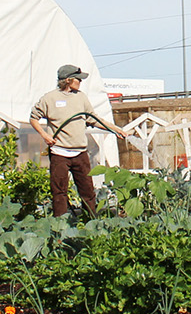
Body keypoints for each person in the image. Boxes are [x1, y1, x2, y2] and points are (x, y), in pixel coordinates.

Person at [29, 64, 128, 217]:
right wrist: (45, 135)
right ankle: (60, 227)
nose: (80, 82)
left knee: (87, 191)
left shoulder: (81, 97)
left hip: (80, 153)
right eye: (78, 79)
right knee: (59, 192)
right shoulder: (49, 98)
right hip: (59, 152)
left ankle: (90, 223)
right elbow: (33, 118)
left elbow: (94, 119)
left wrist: (115, 129)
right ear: (68, 80)